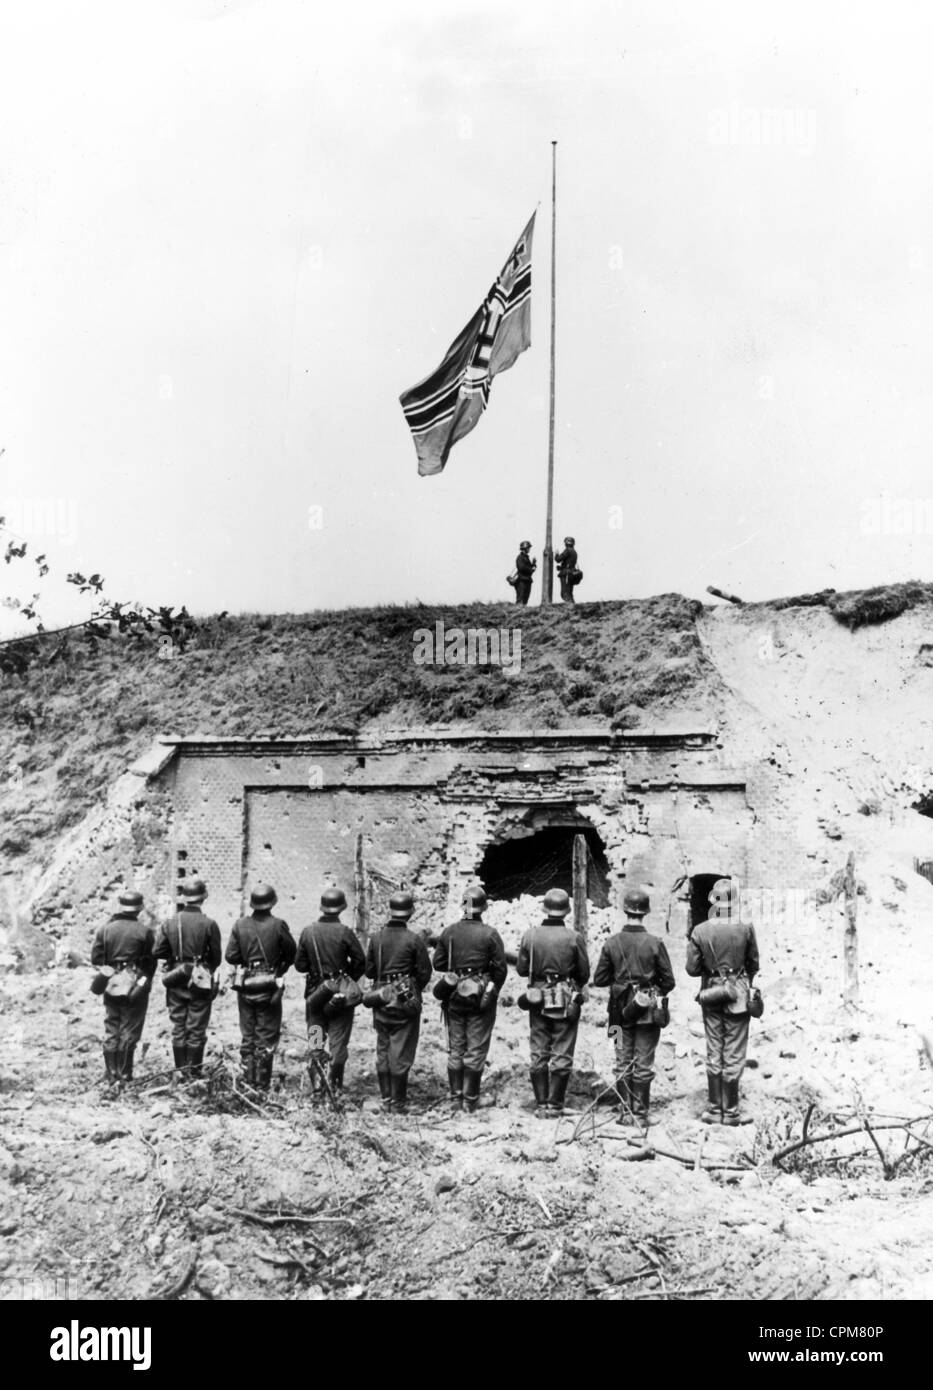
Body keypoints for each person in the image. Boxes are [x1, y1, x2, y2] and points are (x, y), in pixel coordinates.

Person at [593, 888, 675, 1127]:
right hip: (648, 1016)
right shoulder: (655, 943)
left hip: (617, 1015)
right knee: (644, 1062)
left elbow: (599, 979)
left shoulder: (611, 943)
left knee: (621, 1060)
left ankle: (623, 1111)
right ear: (645, 913)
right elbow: (669, 981)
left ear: (625, 910)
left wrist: (620, 984)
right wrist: (649, 992)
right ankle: (640, 1114)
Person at [685, 878, 760, 1126]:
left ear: (713, 902)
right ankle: (732, 1112)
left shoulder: (700, 930)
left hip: (711, 995)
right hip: (738, 994)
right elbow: (753, 964)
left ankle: (714, 1109)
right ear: (734, 901)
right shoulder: (746, 927)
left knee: (714, 1051)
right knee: (735, 1053)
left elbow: (692, 970)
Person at [432, 885, 508, 1113]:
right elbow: (501, 970)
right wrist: (490, 992)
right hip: (480, 998)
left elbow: (438, 964)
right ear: (483, 907)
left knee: (456, 1048)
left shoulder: (449, 932)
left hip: (454, 997)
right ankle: (471, 1100)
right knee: (475, 1049)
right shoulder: (490, 933)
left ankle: (455, 1098)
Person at [516, 887, 590, 1118]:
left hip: (537, 997)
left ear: (545, 909)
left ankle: (541, 1104)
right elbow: (584, 975)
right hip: (565, 997)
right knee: (563, 1049)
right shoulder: (574, 937)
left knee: (538, 1049)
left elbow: (520, 969)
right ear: (566, 911)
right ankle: (556, 1105)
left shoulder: (530, 935)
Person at [364, 891, 432, 1114]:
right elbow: (424, 973)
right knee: (400, 1050)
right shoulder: (413, 939)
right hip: (403, 1000)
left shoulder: (375, 938)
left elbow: (369, 970)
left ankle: (322, 1090)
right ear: (410, 912)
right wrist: (410, 989)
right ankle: (397, 1102)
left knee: (317, 1037)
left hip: (321, 1003)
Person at [295, 887, 367, 1098]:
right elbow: (360, 961)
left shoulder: (308, 931)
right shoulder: (345, 932)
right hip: (341, 998)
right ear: (340, 909)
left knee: (315, 1038)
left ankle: (317, 1089)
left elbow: (300, 965)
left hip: (316, 995)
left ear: (322, 907)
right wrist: (346, 980)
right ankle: (334, 1090)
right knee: (338, 1042)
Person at [225, 883, 296, 1091]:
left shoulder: (240, 925)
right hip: (272, 987)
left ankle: (248, 1083)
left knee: (248, 1035)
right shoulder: (279, 925)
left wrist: (248, 964)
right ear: (272, 903)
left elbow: (231, 956)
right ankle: (261, 1087)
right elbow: (293, 955)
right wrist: (278, 971)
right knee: (267, 1035)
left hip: (247, 985)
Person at [91, 889, 156, 1085]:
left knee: (112, 1026)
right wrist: (142, 983)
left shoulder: (105, 929)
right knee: (130, 1029)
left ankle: (111, 1074)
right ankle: (125, 1075)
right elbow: (151, 964)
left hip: (111, 983)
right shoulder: (145, 932)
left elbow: (96, 958)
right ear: (139, 909)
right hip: (135, 984)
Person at [555, 536, 579, 603]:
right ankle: (572, 606)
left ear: (566, 543)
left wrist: (556, 554)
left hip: (566, 573)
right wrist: (560, 568)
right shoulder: (574, 551)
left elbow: (558, 559)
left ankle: (570, 606)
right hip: (571, 573)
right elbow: (569, 563)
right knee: (569, 592)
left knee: (564, 593)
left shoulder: (567, 550)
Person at [512, 541, 536, 606]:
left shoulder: (526, 557)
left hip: (527, 580)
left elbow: (529, 569)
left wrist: (533, 564)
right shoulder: (520, 557)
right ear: (525, 548)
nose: (529, 549)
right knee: (520, 599)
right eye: (528, 548)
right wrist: (531, 569)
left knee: (525, 600)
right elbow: (522, 567)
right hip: (521, 581)